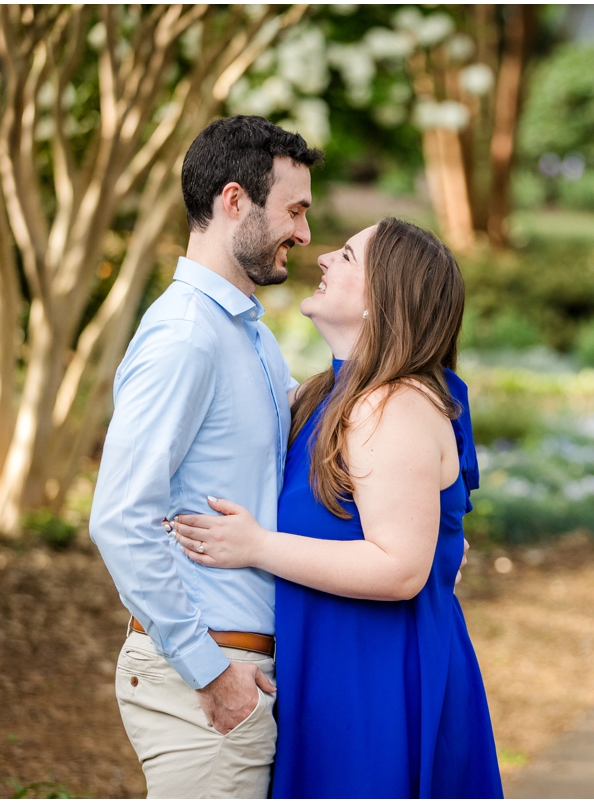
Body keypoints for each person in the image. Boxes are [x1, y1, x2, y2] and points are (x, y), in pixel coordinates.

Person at [168, 217, 505, 798]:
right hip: (331, 671)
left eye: (347, 256)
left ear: (384, 299)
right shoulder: (326, 395)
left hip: (376, 683)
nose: (323, 257)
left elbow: (401, 569)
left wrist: (256, 547)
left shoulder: (391, 405)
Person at [90, 116, 322, 797]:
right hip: (208, 676)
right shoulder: (186, 336)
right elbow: (120, 516)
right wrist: (211, 673)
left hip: (242, 667)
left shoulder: (245, 333)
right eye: (295, 210)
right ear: (233, 202)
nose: (305, 234)